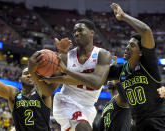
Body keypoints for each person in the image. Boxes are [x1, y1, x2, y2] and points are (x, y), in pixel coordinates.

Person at [41, 19, 112, 131]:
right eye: (74, 31)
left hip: (88, 108)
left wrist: (67, 72)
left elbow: (97, 83)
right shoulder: (67, 56)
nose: (76, 33)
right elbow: (49, 89)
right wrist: (61, 55)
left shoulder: (102, 54)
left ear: (92, 33)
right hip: (66, 101)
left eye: (80, 30)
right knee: (84, 128)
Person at [108, 3, 165, 131]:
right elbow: (125, 100)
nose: (127, 47)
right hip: (138, 124)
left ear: (141, 52)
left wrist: (123, 17)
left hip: (157, 123)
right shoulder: (121, 71)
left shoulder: (148, 65)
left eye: (132, 45)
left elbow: (146, 31)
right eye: (127, 44)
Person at [0, 66, 58, 131]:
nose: (29, 75)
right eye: (26, 73)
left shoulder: (42, 93)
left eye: (32, 74)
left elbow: (56, 78)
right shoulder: (13, 93)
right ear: (20, 79)